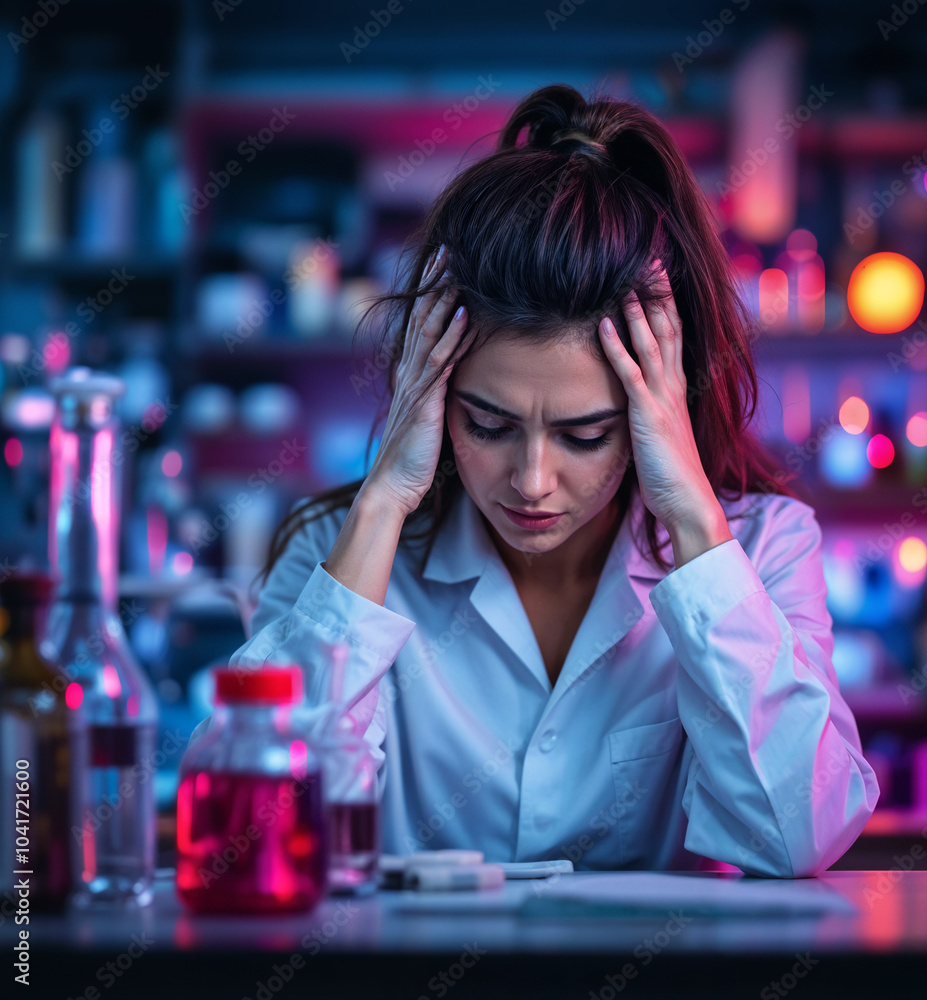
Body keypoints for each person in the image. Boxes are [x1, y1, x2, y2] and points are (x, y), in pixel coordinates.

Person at [219, 83, 879, 877]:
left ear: (656, 413)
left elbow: (800, 835)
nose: (532, 480)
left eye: (586, 434)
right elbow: (252, 843)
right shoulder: (339, 552)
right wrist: (384, 501)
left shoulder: (765, 548)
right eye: (488, 425)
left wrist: (697, 529)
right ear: (429, 395)